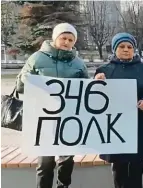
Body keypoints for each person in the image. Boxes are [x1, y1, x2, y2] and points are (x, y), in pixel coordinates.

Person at [15, 23, 88, 188]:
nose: (67, 42)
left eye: (71, 39)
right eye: (63, 38)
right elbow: (21, 84)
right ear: (55, 38)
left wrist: (96, 84)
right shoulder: (37, 58)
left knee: (67, 159)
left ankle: (63, 185)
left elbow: (85, 88)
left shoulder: (78, 63)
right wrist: (27, 79)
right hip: (43, 118)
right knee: (45, 162)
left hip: (68, 118)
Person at [96, 33, 143, 188]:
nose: (126, 50)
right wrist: (96, 83)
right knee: (119, 167)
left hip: (138, 123)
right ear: (114, 49)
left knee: (137, 165)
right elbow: (96, 98)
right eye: (121, 46)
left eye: (129, 47)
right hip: (115, 125)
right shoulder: (105, 70)